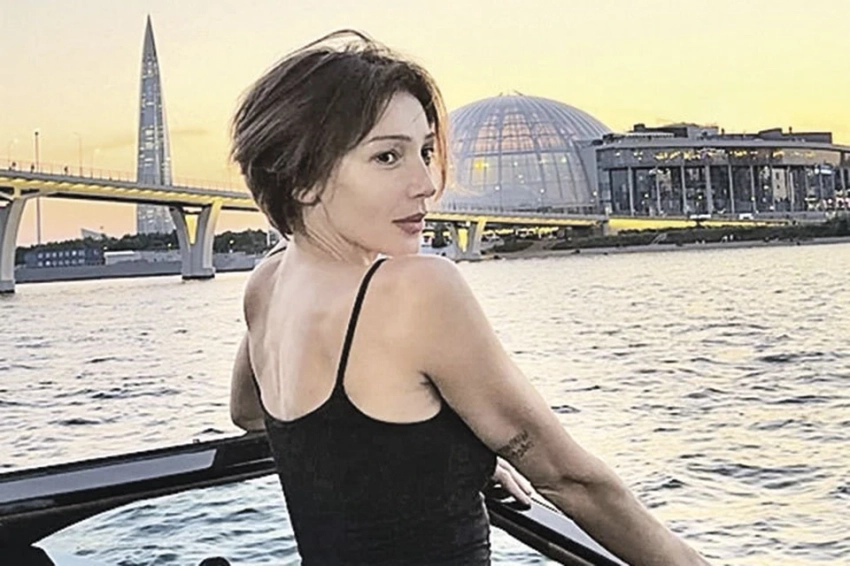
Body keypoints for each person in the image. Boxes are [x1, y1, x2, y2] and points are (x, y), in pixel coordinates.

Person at [229, 30, 711, 566]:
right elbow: (569, 479)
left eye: (425, 151)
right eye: (387, 157)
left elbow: (251, 413)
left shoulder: (267, 283)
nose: (426, 183)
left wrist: (446, 458)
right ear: (302, 179)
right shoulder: (415, 290)